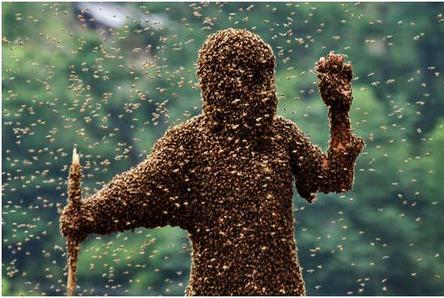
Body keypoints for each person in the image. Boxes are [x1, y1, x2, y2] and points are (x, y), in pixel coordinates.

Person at [60, 28, 364, 295]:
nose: (267, 91)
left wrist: (339, 113)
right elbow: (137, 190)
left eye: (268, 77)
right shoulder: (189, 144)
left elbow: (333, 179)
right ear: (220, 84)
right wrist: (87, 215)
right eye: (253, 79)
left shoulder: (282, 135)